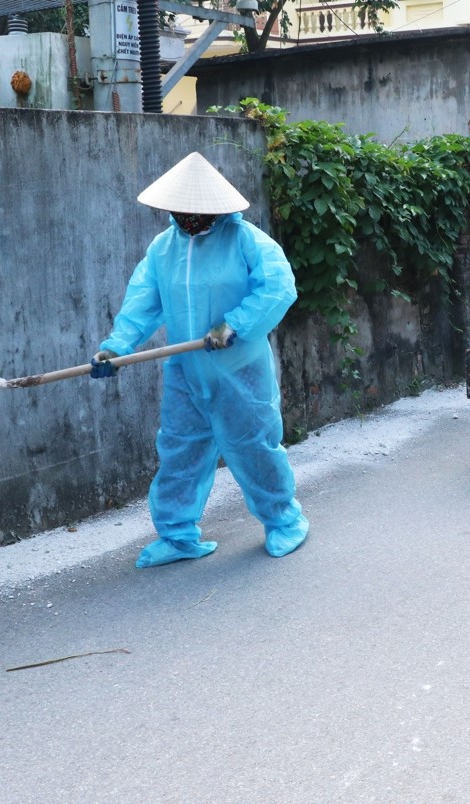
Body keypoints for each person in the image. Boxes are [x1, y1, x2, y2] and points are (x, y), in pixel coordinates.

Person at [91, 152, 310, 568]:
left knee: (255, 447)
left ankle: (283, 521)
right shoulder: (163, 248)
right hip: (185, 371)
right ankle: (177, 536)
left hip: (239, 370)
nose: (187, 217)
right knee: (179, 451)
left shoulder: (247, 241)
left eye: (195, 210)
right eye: (181, 210)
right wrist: (116, 347)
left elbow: (279, 288)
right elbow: (142, 301)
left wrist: (235, 324)